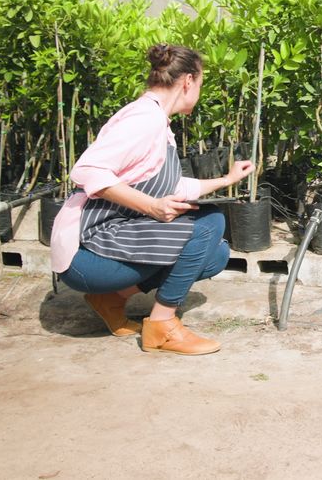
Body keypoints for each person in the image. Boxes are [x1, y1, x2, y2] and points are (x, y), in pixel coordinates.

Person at [49, 44, 254, 355]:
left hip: (109, 236)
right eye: (200, 83)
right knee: (210, 223)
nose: (199, 90)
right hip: (87, 249)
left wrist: (226, 180)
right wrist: (151, 207)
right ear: (188, 81)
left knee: (216, 254)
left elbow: (169, 185)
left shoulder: (156, 119)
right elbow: (87, 170)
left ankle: (111, 299)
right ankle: (161, 326)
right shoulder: (145, 119)